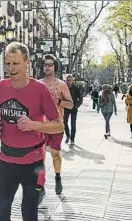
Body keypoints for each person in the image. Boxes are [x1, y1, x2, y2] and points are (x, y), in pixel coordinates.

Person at [0, 42, 64, 221]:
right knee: (0, 216)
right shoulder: (0, 86)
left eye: (15, 63)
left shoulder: (40, 90)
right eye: (7, 64)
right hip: (6, 160)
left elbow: (58, 124)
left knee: (29, 215)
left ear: (27, 63)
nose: (10, 68)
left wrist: (34, 125)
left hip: (33, 163)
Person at [40, 54, 73, 195]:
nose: (47, 67)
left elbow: (71, 105)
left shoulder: (61, 85)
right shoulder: (38, 84)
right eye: (45, 64)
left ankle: (58, 177)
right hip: (40, 125)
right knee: (39, 156)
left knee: (55, 154)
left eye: (50, 64)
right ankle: (40, 185)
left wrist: (58, 101)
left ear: (55, 67)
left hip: (56, 125)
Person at [64, 74, 82, 145]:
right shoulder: (64, 87)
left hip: (73, 109)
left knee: (73, 124)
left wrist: (77, 106)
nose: (68, 82)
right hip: (66, 108)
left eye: (69, 80)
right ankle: (68, 136)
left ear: (72, 80)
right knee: (64, 123)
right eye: (67, 80)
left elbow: (80, 98)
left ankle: (72, 139)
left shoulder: (76, 88)